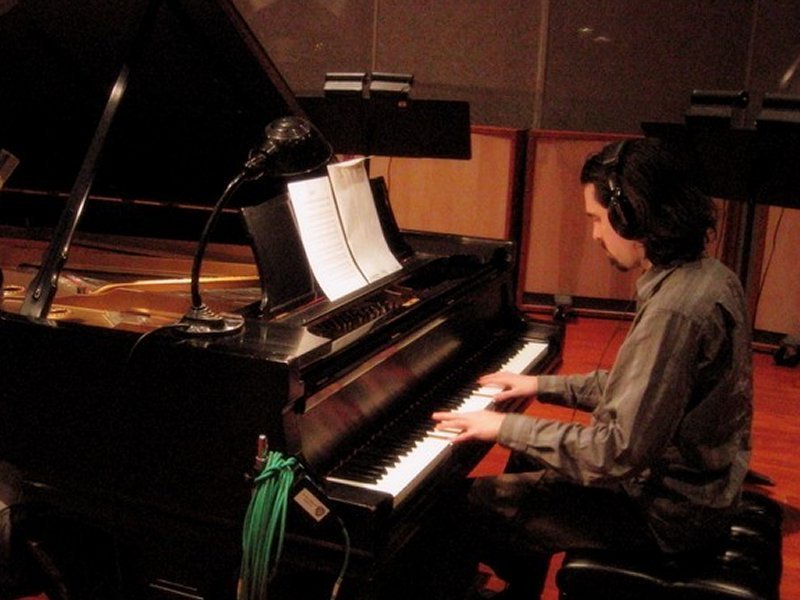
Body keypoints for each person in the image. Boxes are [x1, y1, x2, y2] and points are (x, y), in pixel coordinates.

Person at [432, 137, 753, 599]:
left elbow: (614, 454)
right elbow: (641, 390)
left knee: (460, 505)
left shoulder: (676, 311)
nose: (596, 235)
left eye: (598, 219)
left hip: (666, 515)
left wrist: (502, 425)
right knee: (525, 457)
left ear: (632, 214)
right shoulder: (710, 276)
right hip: (699, 493)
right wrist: (539, 384)